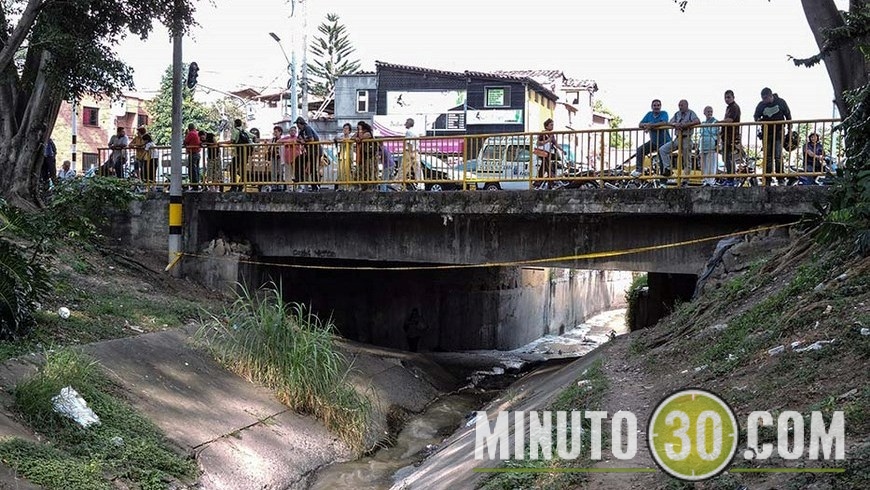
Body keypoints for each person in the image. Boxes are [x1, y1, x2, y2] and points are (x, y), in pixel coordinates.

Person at [753, 87, 792, 185]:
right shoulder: (761, 105)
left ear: (771, 96)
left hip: (779, 132)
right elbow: (756, 116)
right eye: (763, 98)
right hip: (766, 133)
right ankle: (768, 178)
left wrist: (789, 129)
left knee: (778, 155)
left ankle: (780, 178)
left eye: (765, 98)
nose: (764, 101)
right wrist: (758, 120)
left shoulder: (781, 102)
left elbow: (788, 115)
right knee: (768, 156)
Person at [658, 99, 700, 179]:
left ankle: (685, 179)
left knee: (686, 159)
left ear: (686, 105)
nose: (680, 107)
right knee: (662, 150)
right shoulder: (677, 114)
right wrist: (675, 124)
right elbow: (670, 122)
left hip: (686, 138)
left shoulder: (691, 113)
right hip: (677, 138)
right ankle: (668, 168)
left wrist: (686, 125)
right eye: (679, 105)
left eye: (682, 105)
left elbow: (697, 121)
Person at [631, 99, 670, 177]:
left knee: (662, 160)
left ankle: (663, 180)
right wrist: (648, 125)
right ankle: (639, 170)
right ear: (652, 107)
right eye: (654, 105)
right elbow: (640, 124)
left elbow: (664, 122)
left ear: (660, 106)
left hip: (664, 142)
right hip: (654, 141)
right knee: (640, 150)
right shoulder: (649, 114)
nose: (656, 107)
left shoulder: (664, 113)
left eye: (658, 105)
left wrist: (650, 126)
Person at [719, 90, 742, 186]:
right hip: (726, 136)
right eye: (725, 97)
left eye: (728, 97)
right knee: (726, 157)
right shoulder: (729, 108)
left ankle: (731, 178)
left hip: (731, 137)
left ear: (733, 97)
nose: (727, 99)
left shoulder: (734, 107)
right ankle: (730, 178)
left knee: (729, 157)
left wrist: (718, 123)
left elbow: (730, 120)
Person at [535, 118, 564, 189]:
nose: (552, 126)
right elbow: (538, 143)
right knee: (549, 167)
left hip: (547, 153)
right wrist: (548, 140)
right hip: (543, 153)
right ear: (546, 126)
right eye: (551, 125)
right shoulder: (543, 133)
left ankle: (537, 183)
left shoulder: (552, 134)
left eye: (553, 125)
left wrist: (562, 150)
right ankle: (552, 182)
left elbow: (555, 143)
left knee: (543, 168)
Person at [295, 117, 322, 191]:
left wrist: (304, 141)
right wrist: (300, 141)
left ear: (301, 124)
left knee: (312, 168)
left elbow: (311, 139)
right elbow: (297, 139)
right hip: (309, 152)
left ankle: (315, 185)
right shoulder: (301, 131)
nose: (297, 126)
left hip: (315, 150)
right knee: (298, 159)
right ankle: (299, 177)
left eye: (298, 124)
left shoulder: (307, 128)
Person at [698, 106, 719, 186]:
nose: (710, 113)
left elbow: (718, 134)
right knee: (703, 164)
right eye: (708, 111)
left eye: (711, 111)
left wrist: (717, 144)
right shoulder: (703, 123)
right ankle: (705, 180)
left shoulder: (715, 122)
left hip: (711, 144)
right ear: (704, 113)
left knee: (711, 164)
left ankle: (711, 181)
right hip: (703, 145)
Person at [353, 121, 377, 190]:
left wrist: (358, 136)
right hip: (362, 156)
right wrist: (356, 137)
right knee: (361, 172)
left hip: (370, 156)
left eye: (360, 128)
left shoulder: (368, 133)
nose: (358, 130)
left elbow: (361, 138)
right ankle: (363, 187)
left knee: (369, 172)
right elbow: (352, 137)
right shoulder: (358, 133)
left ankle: (370, 187)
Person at [401, 118, 423, 190]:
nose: (405, 124)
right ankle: (421, 184)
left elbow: (409, 143)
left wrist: (411, 153)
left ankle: (397, 183)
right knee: (417, 168)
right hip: (416, 151)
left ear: (409, 123)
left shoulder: (408, 132)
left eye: (406, 122)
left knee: (404, 168)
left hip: (409, 151)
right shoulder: (416, 131)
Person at [281, 126, 303, 191]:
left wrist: (289, 142)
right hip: (287, 158)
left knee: (296, 174)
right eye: (291, 130)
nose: (292, 132)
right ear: (289, 132)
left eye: (294, 130)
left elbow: (300, 142)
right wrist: (289, 142)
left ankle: (296, 187)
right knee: (288, 174)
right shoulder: (287, 137)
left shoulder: (298, 138)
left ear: (296, 132)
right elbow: (278, 141)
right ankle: (289, 187)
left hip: (296, 158)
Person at [183, 123, 202, 190]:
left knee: (192, 170)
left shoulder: (190, 134)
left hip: (192, 153)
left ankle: (194, 185)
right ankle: (197, 183)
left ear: (189, 128)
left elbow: (185, 142)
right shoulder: (197, 133)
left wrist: (186, 135)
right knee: (197, 169)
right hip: (197, 153)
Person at [268, 126, 285, 191]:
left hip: (280, 156)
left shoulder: (283, 139)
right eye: (274, 132)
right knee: (273, 171)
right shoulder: (273, 139)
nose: (275, 133)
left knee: (280, 171)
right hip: (273, 156)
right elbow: (269, 147)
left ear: (280, 132)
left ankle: (280, 184)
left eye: (276, 132)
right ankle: (274, 184)